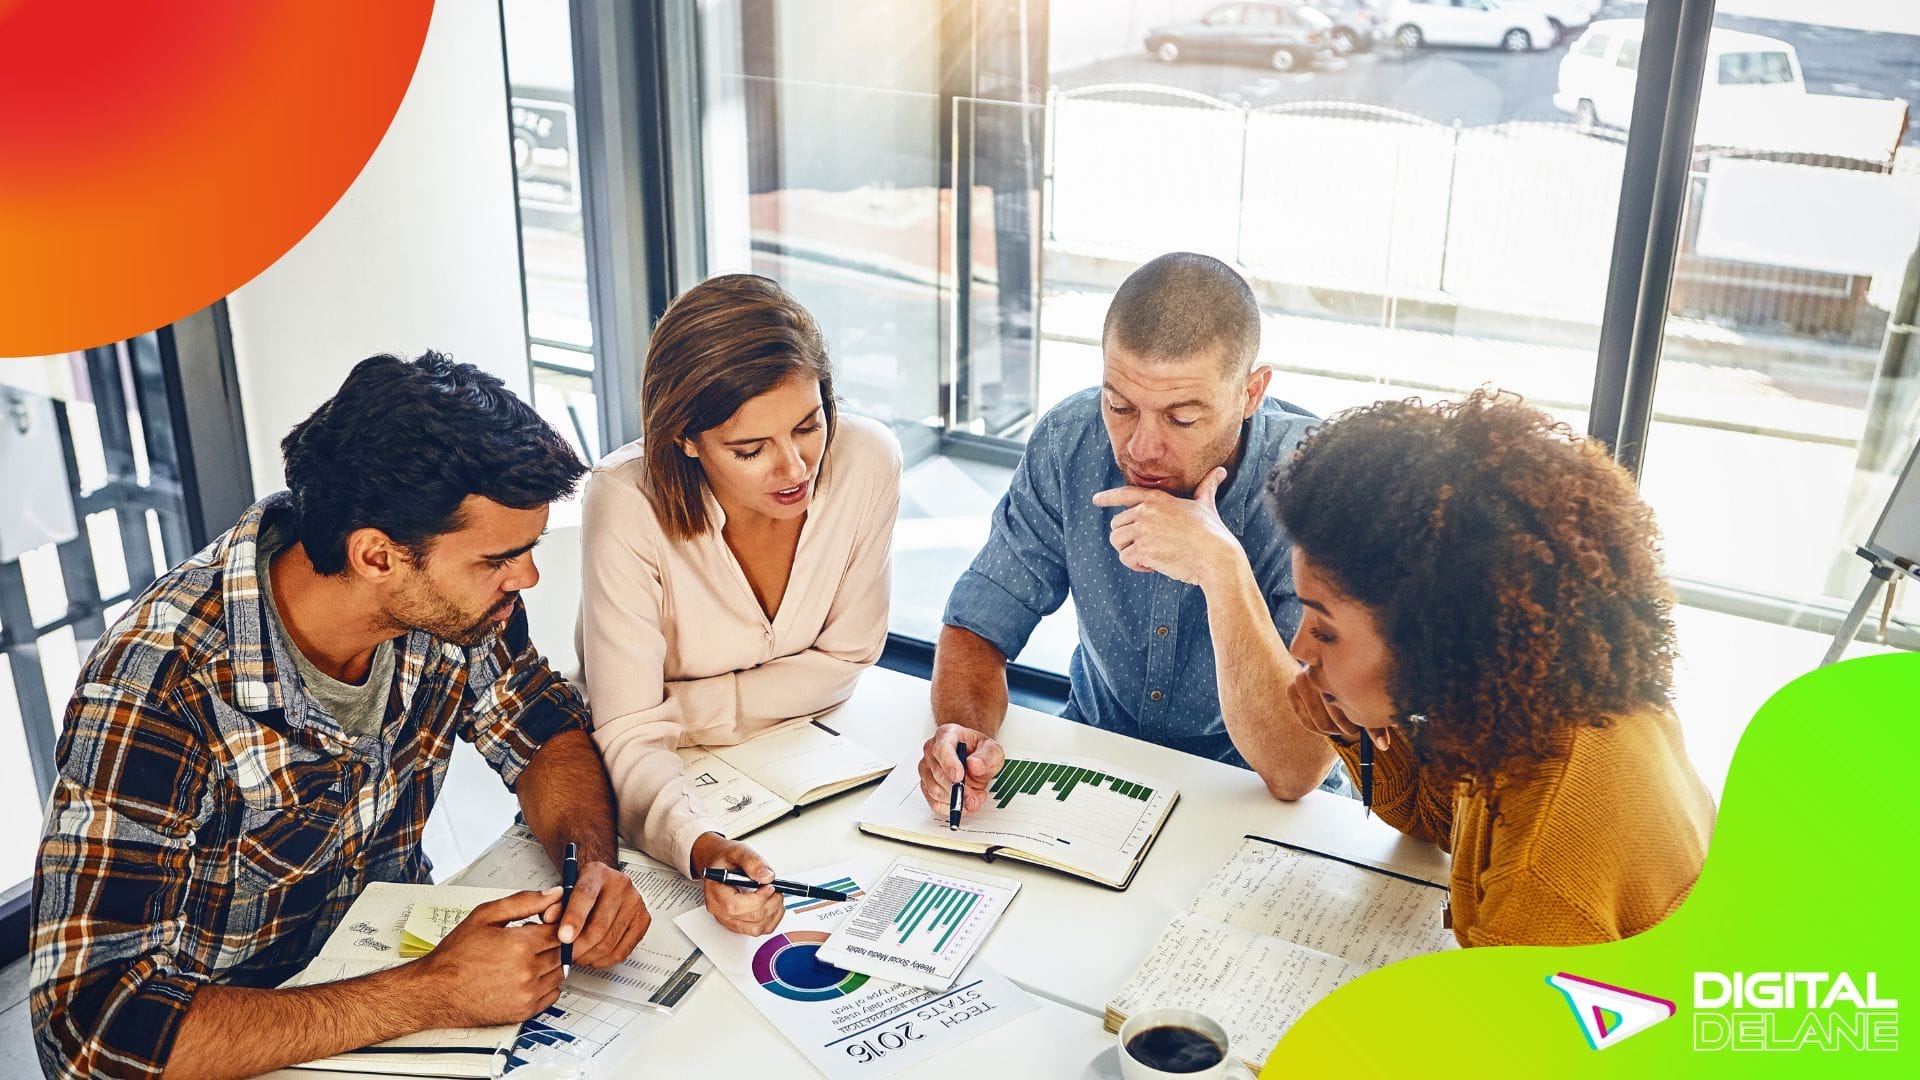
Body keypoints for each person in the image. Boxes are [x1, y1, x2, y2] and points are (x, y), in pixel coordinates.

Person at [30, 354, 652, 1080]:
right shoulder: (159, 686)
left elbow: (542, 729)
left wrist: (590, 868)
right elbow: (93, 1030)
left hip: (392, 989)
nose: (527, 578)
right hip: (232, 1044)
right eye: (499, 559)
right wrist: (430, 994)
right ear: (377, 556)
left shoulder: (455, 611)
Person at [1269, 390, 1716, 947]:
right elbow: (1434, 817)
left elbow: (1501, 1031)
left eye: (1326, 629)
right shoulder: (1532, 709)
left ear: (1433, 634)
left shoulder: (1545, 867)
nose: (1298, 648)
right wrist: (1351, 724)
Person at [918, 252, 1338, 816]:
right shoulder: (1071, 441)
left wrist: (1220, 568)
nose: (1140, 448)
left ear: (1251, 393)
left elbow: (1294, 771)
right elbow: (978, 624)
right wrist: (963, 736)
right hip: (1099, 766)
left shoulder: (1318, 486)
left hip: (1254, 796)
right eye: (1119, 405)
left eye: (1182, 419)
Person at [576, 274, 901, 934]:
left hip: (818, 768)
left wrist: (678, 707)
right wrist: (701, 849)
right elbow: (631, 742)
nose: (795, 469)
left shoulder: (867, 460)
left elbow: (848, 658)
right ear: (686, 440)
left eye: (809, 426)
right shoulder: (625, 504)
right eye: (750, 450)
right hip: (668, 789)